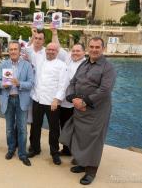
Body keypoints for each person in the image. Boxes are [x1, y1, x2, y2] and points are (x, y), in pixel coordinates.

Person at [59, 37, 116, 185]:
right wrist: (72, 98)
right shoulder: (83, 64)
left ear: (103, 49)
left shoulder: (107, 67)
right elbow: (73, 82)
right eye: (92, 46)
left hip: (97, 111)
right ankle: (83, 163)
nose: (94, 49)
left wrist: (84, 101)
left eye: (97, 47)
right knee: (81, 137)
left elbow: (105, 90)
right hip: (79, 108)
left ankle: (91, 171)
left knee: (94, 140)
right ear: (88, 48)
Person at [28, 42, 68, 165]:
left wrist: (57, 99)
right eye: (48, 49)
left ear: (57, 52)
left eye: (53, 50)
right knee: (35, 126)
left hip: (52, 102)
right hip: (38, 99)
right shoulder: (40, 61)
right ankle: (35, 148)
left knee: (54, 129)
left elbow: (63, 84)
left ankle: (54, 152)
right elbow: (28, 50)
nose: (50, 51)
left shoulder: (62, 65)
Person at [0, 41, 34, 166]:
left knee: (22, 128)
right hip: (8, 99)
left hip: (21, 99)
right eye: (11, 49)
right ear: (8, 51)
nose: (13, 51)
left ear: (20, 51)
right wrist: (3, 84)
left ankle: (22, 154)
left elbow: (31, 83)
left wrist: (19, 84)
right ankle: (11, 149)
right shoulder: (3, 64)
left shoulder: (27, 65)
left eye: (15, 49)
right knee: (9, 128)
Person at [59, 44, 86, 156]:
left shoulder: (86, 65)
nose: (75, 53)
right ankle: (66, 149)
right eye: (73, 51)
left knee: (78, 129)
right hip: (64, 101)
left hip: (77, 102)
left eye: (78, 51)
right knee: (64, 126)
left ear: (84, 52)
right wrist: (54, 32)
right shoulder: (69, 60)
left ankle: (77, 153)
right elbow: (59, 48)